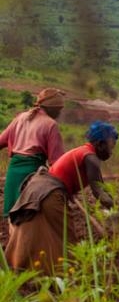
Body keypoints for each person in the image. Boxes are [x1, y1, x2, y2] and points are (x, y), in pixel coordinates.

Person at [4, 122, 118, 274]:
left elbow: (102, 187)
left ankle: (25, 269)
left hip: (38, 188)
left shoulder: (84, 152)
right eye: (111, 147)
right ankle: (72, 275)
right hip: (50, 193)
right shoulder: (90, 157)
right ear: (100, 144)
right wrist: (118, 212)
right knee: (67, 238)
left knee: (34, 231)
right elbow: (100, 193)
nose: (111, 152)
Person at [0, 88, 66, 218]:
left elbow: (1, 141)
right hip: (33, 175)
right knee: (31, 217)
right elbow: (56, 162)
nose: (59, 113)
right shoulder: (51, 124)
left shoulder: (20, 118)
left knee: (13, 217)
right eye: (59, 109)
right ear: (52, 108)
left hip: (13, 174)